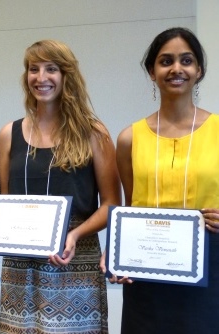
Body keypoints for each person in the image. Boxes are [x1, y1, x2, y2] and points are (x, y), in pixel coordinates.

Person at [0, 40, 121, 333]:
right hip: (20, 268)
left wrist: (75, 234)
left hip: (74, 260)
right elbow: (5, 203)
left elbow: (112, 204)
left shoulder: (93, 133)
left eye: (51, 69)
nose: (41, 78)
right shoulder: (8, 134)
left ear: (66, 75)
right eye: (33, 69)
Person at [102, 27, 219, 333]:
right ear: (152, 72)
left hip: (209, 269)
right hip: (146, 273)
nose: (176, 69)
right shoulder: (129, 138)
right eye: (165, 61)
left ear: (199, 70)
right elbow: (130, 205)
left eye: (186, 60)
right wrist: (118, 255)